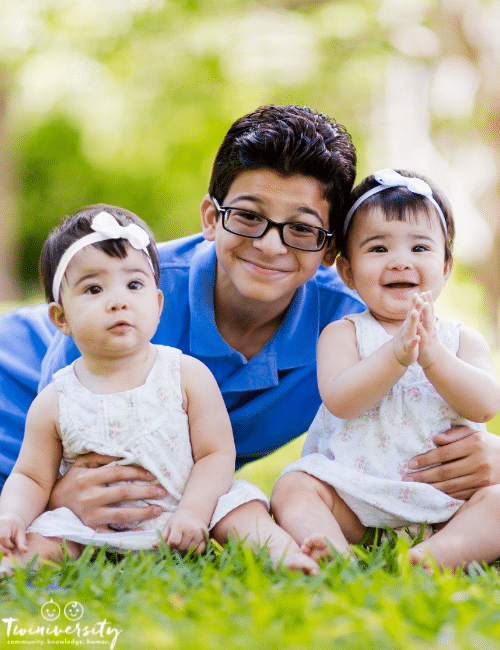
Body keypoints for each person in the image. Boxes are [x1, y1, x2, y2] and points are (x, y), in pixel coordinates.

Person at [1, 106, 500, 536]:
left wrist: (487, 454)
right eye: (248, 216)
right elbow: (49, 465)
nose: (270, 244)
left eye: (302, 228)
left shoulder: (355, 331)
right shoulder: (129, 299)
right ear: (210, 217)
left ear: (331, 251)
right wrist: (58, 495)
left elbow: (429, 395)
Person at [0, 205, 286, 573]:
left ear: (157, 302)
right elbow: (32, 476)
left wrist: (194, 513)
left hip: (185, 509)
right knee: (46, 532)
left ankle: (286, 555)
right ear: (61, 318)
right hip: (92, 523)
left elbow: (216, 454)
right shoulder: (54, 401)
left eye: (134, 284)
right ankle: (15, 565)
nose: (118, 300)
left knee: (241, 507)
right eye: (93, 288)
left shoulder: (185, 374)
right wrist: (11, 516)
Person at [271, 169, 500, 571]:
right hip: (357, 499)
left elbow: (484, 406)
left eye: (419, 248)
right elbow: (341, 401)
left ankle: (436, 555)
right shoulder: (343, 335)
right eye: (378, 249)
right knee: (294, 487)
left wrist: (433, 357)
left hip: (446, 503)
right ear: (348, 272)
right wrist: (395, 355)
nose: (399, 262)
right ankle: (332, 549)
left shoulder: (461, 340)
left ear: (446, 266)